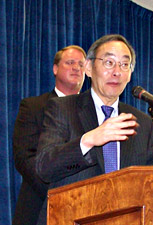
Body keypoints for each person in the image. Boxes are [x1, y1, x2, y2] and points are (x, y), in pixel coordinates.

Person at [35, 34, 153, 225]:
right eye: (109, 62)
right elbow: (44, 168)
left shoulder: (142, 123)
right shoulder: (62, 108)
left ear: (130, 74)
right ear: (88, 67)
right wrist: (87, 141)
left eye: (124, 65)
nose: (117, 72)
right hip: (71, 218)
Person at [12, 45, 86, 225]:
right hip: (39, 206)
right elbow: (24, 158)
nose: (76, 68)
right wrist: (60, 193)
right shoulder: (33, 106)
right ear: (55, 69)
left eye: (81, 64)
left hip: (85, 208)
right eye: (70, 63)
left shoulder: (93, 113)